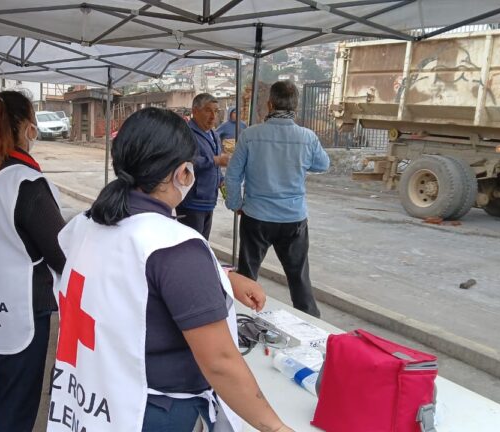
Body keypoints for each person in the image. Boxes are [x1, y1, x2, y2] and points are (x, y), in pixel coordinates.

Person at [48, 107, 293, 432]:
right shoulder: (175, 248)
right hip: (153, 412)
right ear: (183, 173)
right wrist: (277, 428)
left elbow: (127, 273)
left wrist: (224, 277)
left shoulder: (86, 224)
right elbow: (220, 362)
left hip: (93, 394)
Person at [0, 91, 66, 431]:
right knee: (18, 402)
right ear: (26, 128)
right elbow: (61, 253)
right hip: (24, 306)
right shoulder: (26, 182)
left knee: (6, 389)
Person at [225, 81, 330, 318]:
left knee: (247, 276)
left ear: (270, 104)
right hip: (293, 219)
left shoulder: (250, 135)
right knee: (299, 278)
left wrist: (236, 204)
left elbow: (232, 176)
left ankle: (240, 321)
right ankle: (311, 325)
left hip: (256, 217)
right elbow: (323, 164)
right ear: (296, 107)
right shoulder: (307, 137)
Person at [176, 93, 230, 240]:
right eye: (208, 110)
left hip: (209, 200)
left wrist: (221, 181)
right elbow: (185, 161)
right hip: (191, 202)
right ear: (195, 111)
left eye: (216, 111)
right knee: (191, 245)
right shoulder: (185, 133)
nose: (213, 116)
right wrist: (215, 160)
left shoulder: (214, 134)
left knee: (203, 243)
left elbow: (216, 167)